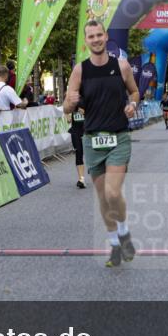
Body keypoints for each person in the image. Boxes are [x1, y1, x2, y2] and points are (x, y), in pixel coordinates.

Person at [64, 19, 139, 268]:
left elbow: (135, 92)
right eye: (91, 36)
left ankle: (125, 232)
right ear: (86, 41)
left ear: (106, 37)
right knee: (103, 199)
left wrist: (133, 105)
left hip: (118, 137)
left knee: (112, 192)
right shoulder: (79, 71)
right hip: (92, 140)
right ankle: (115, 246)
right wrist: (70, 102)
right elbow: (65, 107)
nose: (95, 39)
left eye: (99, 35)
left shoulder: (122, 66)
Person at [69, 106, 86, 189]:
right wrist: (67, 115)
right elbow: (66, 110)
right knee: (78, 153)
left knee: (92, 153)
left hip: (88, 130)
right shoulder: (72, 98)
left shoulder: (87, 95)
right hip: (75, 131)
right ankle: (81, 179)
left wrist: (83, 110)